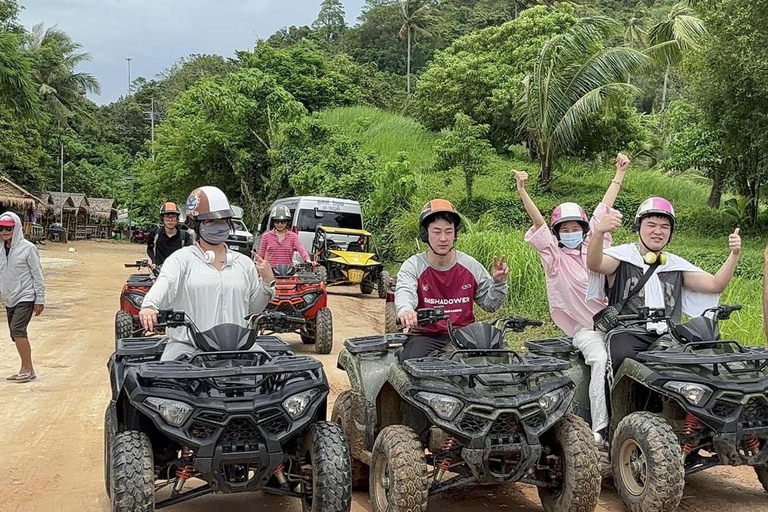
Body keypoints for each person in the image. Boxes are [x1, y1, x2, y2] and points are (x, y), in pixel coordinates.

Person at [513, 152, 630, 441]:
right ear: (557, 233)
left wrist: (620, 173)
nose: (571, 233)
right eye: (565, 230)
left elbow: (604, 209)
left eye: (575, 228)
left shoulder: (592, 248)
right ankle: (599, 429)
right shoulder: (554, 259)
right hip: (586, 330)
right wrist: (522, 191)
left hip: (615, 324)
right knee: (600, 360)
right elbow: (538, 222)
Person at [587, 197, 741, 375]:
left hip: (670, 336)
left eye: (664, 227)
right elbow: (594, 263)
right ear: (638, 228)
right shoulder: (622, 258)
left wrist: (734, 255)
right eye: (651, 225)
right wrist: (598, 233)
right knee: (622, 373)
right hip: (628, 334)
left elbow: (716, 285)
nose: (657, 231)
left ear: (671, 233)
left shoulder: (675, 266)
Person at [139, 186, 276, 361]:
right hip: (188, 346)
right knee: (165, 380)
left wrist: (267, 282)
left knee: (271, 376)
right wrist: (150, 306)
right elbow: (165, 283)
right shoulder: (181, 260)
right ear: (195, 223)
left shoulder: (244, 263)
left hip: (239, 348)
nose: (218, 226)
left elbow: (254, 308)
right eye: (210, 222)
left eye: (223, 220)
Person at [395, 199, 509, 362]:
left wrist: (498, 283)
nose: (443, 238)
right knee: (410, 365)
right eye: (436, 231)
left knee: (499, 363)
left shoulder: (470, 265)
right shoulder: (413, 265)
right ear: (425, 233)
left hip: (465, 335)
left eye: (449, 231)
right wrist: (406, 310)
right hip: (427, 336)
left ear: (455, 234)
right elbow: (405, 291)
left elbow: (490, 304)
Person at [0, 211, 45, 383]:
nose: (4, 231)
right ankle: (24, 368)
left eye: (8, 228)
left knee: (18, 330)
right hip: (9, 297)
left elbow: (37, 274)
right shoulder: (1, 249)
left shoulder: (28, 248)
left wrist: (39, 299)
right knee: (15, 334)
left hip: (26, 296)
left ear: (16, 227)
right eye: (1, 228)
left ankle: (28, 369)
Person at [147, 202, 192, 268]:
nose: (170, 220)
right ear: (162, 219)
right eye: (167, 217)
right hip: (159, 271)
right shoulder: (155, 233)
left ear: (177, 219)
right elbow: (149, 249)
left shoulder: (185, 236)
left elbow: (189, 255)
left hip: (179, 272)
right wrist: (154, 262)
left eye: (173, 217)